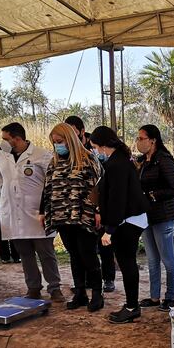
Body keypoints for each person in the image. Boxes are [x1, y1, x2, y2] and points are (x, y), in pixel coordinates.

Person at [0, 122, 63, 302]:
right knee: (25, 254)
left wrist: (46, 206)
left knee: (46, 253)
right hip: (14, 214)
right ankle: (33, 288)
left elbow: (52, 181)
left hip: (37, 212)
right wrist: (5, 190)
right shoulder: (2, 155)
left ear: (17, 139)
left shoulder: (41, 155)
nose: (3, 142)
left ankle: (54, 288)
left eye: (6, 139)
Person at [40, 123, 103, 311]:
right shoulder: (54, 161)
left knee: (88, 255)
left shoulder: (88, 159)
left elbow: (97, 187)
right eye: (54, 142)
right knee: (74, 255)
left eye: (60, 141)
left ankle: (97, 295)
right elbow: (47, 188)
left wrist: (97, 211)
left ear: (70, 139)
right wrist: (44, 211)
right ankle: (80, 293)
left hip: (83, 215)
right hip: (62, 217)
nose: (57, 145)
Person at [90, 125, 149, 324]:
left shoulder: (117, 164)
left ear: (104, 145)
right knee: (126, 263)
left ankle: (132, 307)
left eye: (96, 147)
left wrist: (110, 230)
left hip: (127, 221)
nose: (97, 151)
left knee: (127, 263)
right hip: (129, 219)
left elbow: (118, 200)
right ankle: (131, 305)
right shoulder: (119, 160)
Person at [66, 114, 116, 292]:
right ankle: (86, 281)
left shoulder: (95, 149)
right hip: (80, 209)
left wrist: (99, 209)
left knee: (104, 245)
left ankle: (108, 278)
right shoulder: (69, 153)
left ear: (81, 131)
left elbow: (102, 180)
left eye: (73, 131)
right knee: (84, 248)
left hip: (100, 205)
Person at [136, 124, 174, 312]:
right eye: (138, 138)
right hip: (146, 216)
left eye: (141, 138)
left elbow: (173, 187)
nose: (138, 142)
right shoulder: (143, 161)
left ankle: (170, 297)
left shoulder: (164, 160)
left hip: (164, 215)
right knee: (152, 259)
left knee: (167, 259)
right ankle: (154, 297)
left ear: (153, 140)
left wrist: (152, 195)